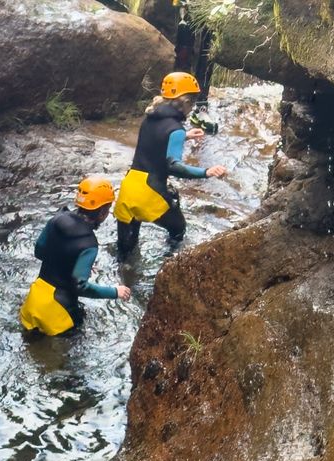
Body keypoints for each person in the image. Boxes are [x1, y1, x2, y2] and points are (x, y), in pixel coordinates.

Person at [114, 72, 228, 259]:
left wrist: (185, 135)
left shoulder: (149, 117)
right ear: (185, 102)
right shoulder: (175, 130)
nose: (192, 108)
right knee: (178, 231)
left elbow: (154, 143)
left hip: (129, 189)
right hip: (150, 193)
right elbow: (174, 166)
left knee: (125, 255)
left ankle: (125, 279)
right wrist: (206, 172)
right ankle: (168, 265)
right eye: (192, 103)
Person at [19, 175, 132, 337]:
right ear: (102, 213)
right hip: (59, 313)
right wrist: (115, 291)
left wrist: (73, 261)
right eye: (108, 209)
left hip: (33, 301)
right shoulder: (89, 243)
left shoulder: (57, 219)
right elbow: (80, 286)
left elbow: (40, 251)